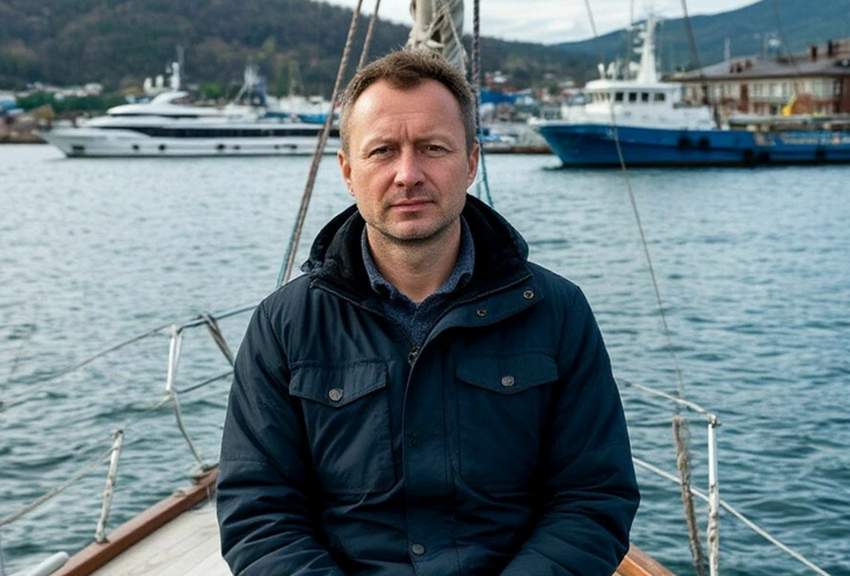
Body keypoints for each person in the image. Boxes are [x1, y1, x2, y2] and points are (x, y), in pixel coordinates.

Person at [217, 49, 639, 576]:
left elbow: (592, 497)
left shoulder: (556, 313)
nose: (407, 174)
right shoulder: (285, 325)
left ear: (471, 162)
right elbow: (259, 512)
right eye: (382, 151)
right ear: (348, 171)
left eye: (433, 148)